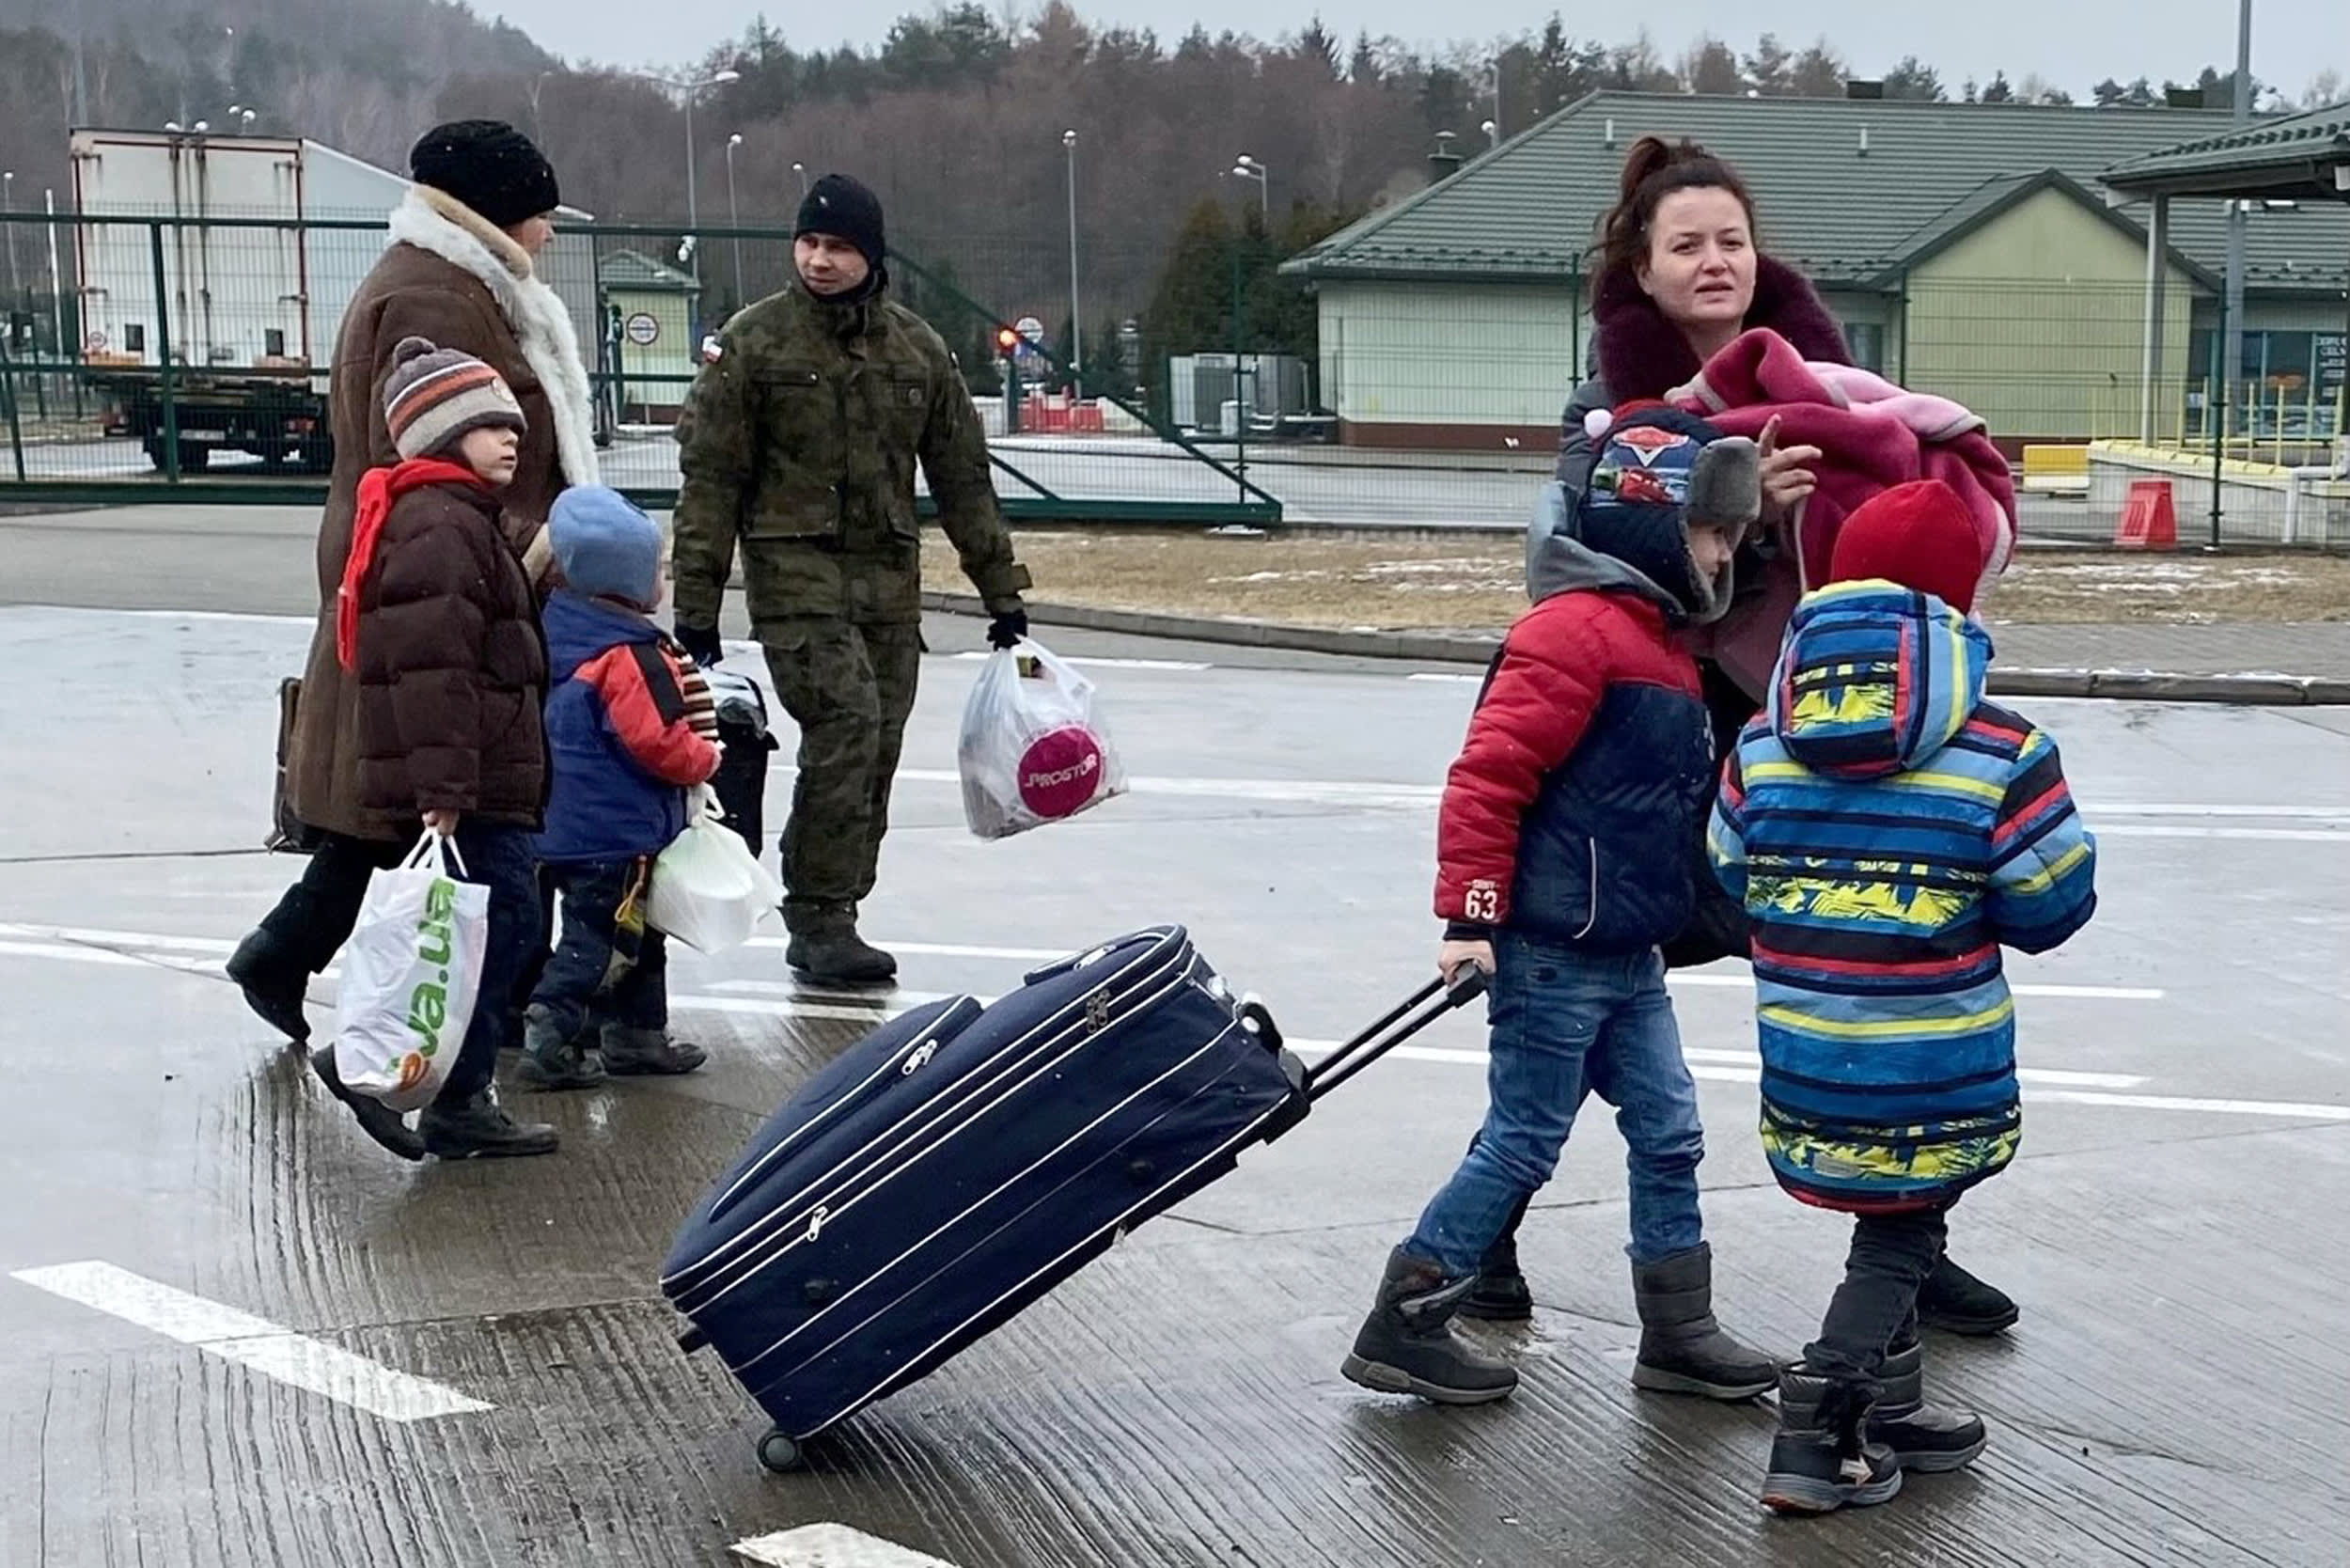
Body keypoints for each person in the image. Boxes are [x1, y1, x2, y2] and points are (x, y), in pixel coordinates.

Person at [1485, 133, 2019, 1339]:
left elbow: (1896, 510)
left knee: (1878, 976)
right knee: (1591, 989)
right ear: (1643, 261)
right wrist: (1742, 523)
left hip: (1811, 717)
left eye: (1731, 239)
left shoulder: (1830, 380)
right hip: (1648, 733)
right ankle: (1487, 1234)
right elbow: (1579, 570)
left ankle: (1906, 1244)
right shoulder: (1604, 411)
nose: (1714, 260)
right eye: (1687, 244)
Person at [1340, 408, 1778, 1407]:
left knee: (1670, 1129)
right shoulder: (1573, 632)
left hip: (1629, 956)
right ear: (1653, 520)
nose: (1724, 553)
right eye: (1712, 532)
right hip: (1548, 951)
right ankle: (1404, 1319)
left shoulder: (1661, 642)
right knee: (1525, 1137)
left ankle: (1678, 1332)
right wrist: (1471, 918)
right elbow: (1490, 776)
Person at [1707, 480, 2098, 1513]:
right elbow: (2052, 906)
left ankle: (1896, 1404)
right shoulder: (2000, 751)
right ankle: (1820, 1422)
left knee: (1892, 1208)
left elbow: (1728, 876)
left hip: (1805, 1046)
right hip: (1934, 1055)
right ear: (1960, 601)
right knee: (1903, 1228)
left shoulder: (1761, 740)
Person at [229, 120, 597, 1062]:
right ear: (488, 209)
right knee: (438, 804)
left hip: (437, 581)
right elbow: (437, 448)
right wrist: (525, 556)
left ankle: (292, 956)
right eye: (539, 215)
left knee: (398, 804)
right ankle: (449, 1019)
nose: (548, 234)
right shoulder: (436, 295)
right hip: (447, 587)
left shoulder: (448, 283)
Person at [670, 172, 1032, 986]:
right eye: (810, 243)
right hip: (794, 578)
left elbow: (963, 477)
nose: (821, 261)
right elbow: (712, 480)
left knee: (881, 746)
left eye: (838, 247)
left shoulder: (917, 350)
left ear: (872, 256)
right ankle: (818, 914)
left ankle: (842, 903)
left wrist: (1000, 592)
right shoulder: (754, 345)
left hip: (887, 583)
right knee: (847, 724)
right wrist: (697, 606)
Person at [306, 338, 560, 1161]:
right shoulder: (441, 528)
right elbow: (432, 670)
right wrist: (446, 789)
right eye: (490, 427)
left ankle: (454, 1091)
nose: (511, 440)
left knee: (486, 936)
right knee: (491, 933)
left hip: (485, 774)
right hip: (473, 783)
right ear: (443, 435)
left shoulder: (455, 519)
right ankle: (409, 1079)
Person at [518, 486, 722, 1090]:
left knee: (634, 931)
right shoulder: (632, 653)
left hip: (557, 822)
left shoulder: (550, 632)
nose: (663, 579)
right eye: (658, 568)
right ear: (632, 581)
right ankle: (551, 1028)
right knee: (604, 938)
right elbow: (658, 741)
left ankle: (638, 1032)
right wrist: (705, 759)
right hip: (616, 832)